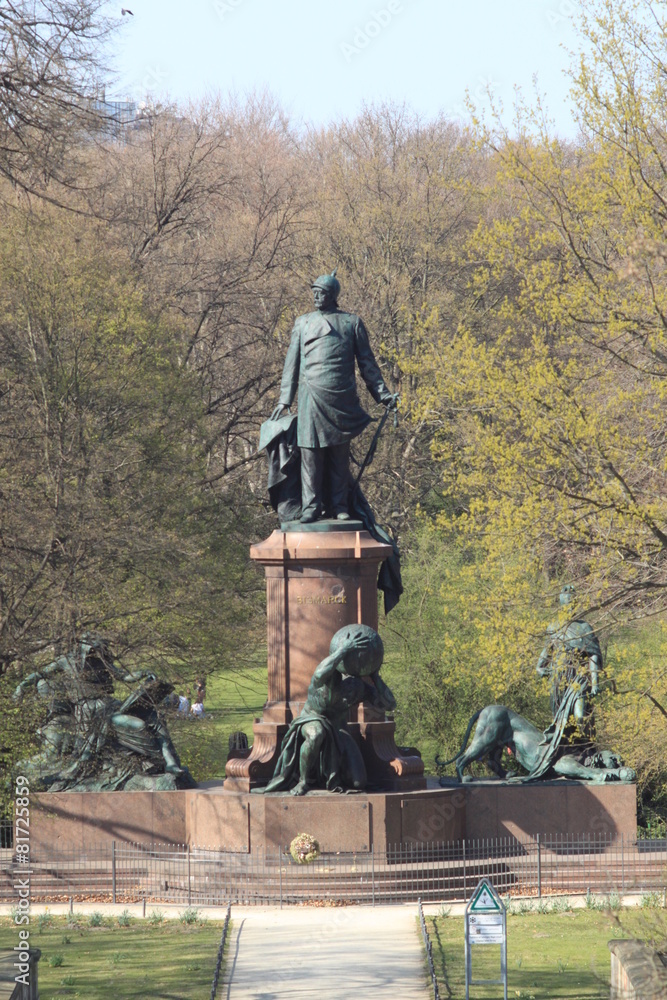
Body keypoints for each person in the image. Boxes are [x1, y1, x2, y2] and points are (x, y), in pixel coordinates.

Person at [270, 271, 398, 523]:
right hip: (310, 397)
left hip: (341, 400)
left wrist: (383, 395)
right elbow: (291, 364)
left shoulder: (351, 323)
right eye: (314, 292)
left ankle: (340, 505)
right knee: (310, 453)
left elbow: (367, 365)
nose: (316, 297)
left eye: (321, 293)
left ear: (332, 296)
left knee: (339, 455)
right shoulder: (303, 323)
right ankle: (311, 506)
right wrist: (285, 399)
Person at [259, 624, 396, 796]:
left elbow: (389, 704)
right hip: (311, 719)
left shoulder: (358, 687)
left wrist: (375, 675)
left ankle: (327, 776)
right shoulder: (327, 678)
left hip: (338, 729)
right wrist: (343, 650)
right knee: (316, 734)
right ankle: (303, 781)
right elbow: (318, 675)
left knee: (358, 782)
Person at [536, 584, 602, 736]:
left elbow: (593, 655)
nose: (570, 608)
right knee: (561, 724)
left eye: (572, 605)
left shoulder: (585, 628)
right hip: (559, 680)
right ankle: (566, 747)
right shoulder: (554, 627)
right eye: (567, 605)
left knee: (580, 716)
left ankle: (586, 745)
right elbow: (547, 651)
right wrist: (539, 668)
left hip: (578, 677)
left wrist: (595, 682)